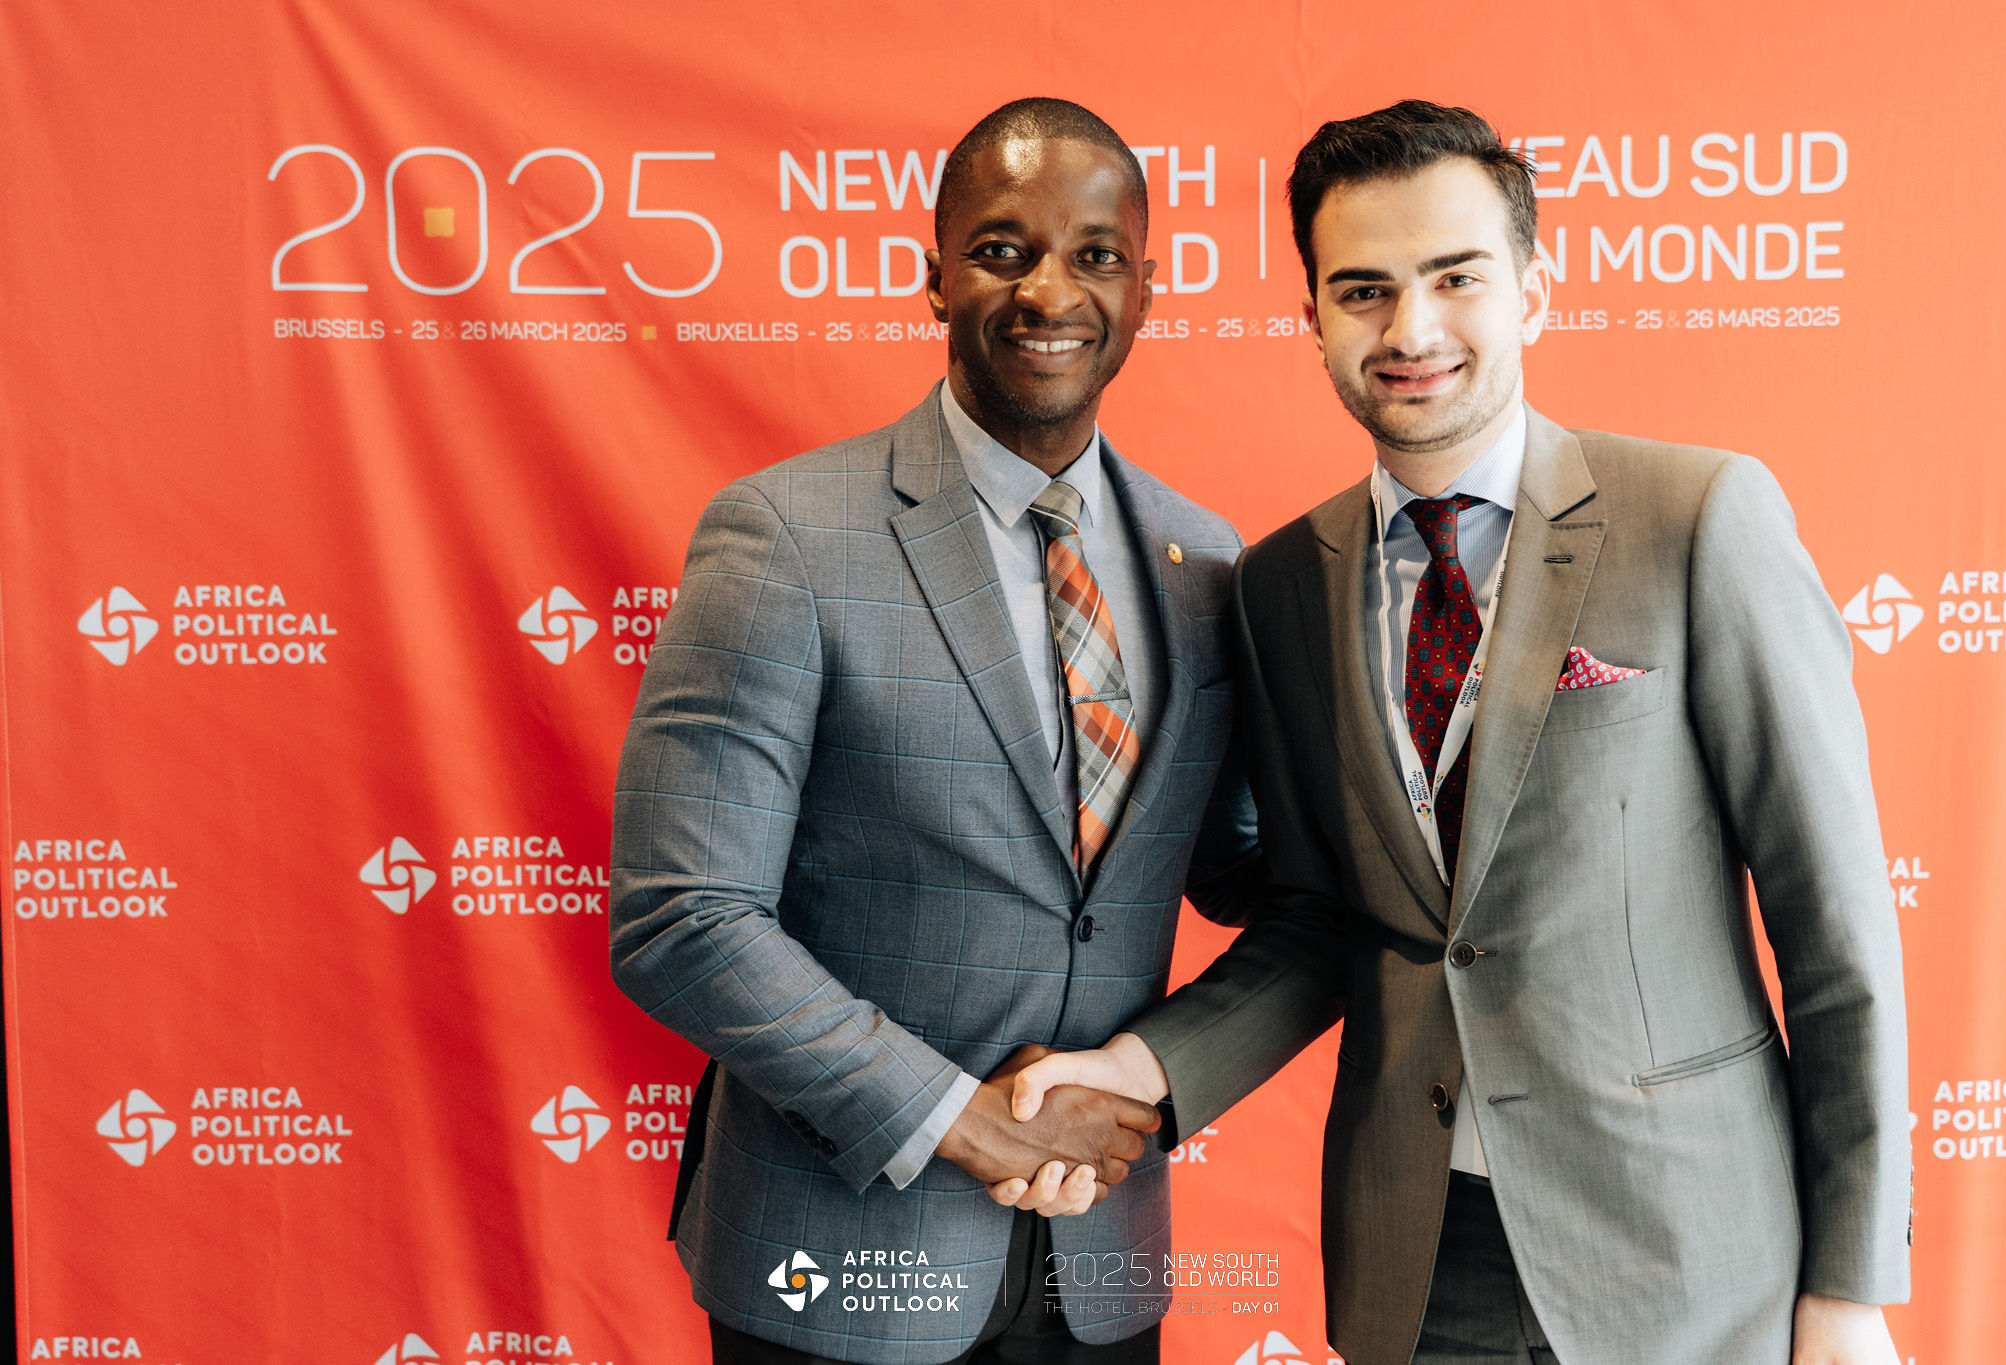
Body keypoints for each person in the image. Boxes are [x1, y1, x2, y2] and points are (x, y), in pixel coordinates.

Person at [1004, 101, 1910, 1365]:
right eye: (1362, 290)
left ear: (1532, 289)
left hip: (1691, 1255)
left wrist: (1851, 1288)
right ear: (1312, 318)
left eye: (1454, 277)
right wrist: (1143, 1071)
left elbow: (1834, 925)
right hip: (1419, 1258)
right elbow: (1318, 919)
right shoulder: (1278, 585)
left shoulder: (1696, 516)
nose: (1410, 329)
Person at [609, 97, 1265, 1365]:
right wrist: (963, 1118)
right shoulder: (785, 536)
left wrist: (1158, 1070)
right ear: (933, 277)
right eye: (1001, 251)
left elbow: (1247, 876)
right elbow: (681, 915)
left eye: (1094, 255)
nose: (1048, 293)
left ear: (1145, 288)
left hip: (1099, 1266)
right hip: (837, 1254)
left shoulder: (1207, 562)